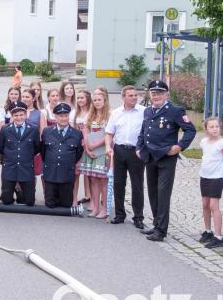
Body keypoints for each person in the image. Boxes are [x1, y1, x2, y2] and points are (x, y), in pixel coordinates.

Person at [136, 80, 196, 241]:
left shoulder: (175, 111)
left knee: (163, 194)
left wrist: (179, 146)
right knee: (153, 193)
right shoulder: (148, 111)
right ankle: (156, 224)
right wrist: (138, 147)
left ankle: (161, 231)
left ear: (166, 94)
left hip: (166, 157)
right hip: (150, 156)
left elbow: (190, 130)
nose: (156, 96)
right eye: (153, 93)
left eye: (160, 93)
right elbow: (144, 131)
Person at [104, 85, 147, 227]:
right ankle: (120, 214)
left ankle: (138, 217)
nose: (134, 97)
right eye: (131, 95)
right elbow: (109, 133)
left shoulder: (144, 112)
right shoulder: (116, 113)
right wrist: (108, 147)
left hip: (136, 151)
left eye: (136, 95)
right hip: (119, 150)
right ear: (123, 97)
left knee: (137, 185)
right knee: (118, 183)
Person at [0, 101, 40, 205]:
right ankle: (13, 191)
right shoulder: (5, 130)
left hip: (26, 167)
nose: (19, 118)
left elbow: (37, 147)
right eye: (16, 115)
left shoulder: (33, 129)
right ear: (12, 116)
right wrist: (11, 156)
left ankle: (20, 193)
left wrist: (25, 156)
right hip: (10, 167)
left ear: (26, 115)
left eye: (21, 115)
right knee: (6, 200)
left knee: (29, 202)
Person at [41, 103, 84, 208]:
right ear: (55, 117)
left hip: (66, 174)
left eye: (66, 116)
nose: (63, 118)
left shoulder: (77, 134)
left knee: (66, 204)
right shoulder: (47, 132)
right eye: (60, 116)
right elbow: (43, 151)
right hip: (51, 174)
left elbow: (78, 153)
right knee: (50, 204)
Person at [197, 117, 223, 248]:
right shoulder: (204, 141)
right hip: (204, 176)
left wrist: (218, 169)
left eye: (217, 126)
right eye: (212, 127)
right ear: (206, 129)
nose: (215, 129)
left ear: (220, 128)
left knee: (213, 205)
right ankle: (208, 231)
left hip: (216, 177)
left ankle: (218, 236)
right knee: (205, 204)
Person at [81, 89, 111, 218]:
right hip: (91, 151)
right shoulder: (90, 115)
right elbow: (86, 132)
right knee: (93, 180)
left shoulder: (109, 115)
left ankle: (105, 209)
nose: (97, 102)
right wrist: (88, 148)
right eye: (94, 100)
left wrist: (95, 145)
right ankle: (95, 207)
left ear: (105, 100)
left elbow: (109, 134)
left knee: (103, 181)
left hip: (103, 151)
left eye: (99, 100)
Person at [71, 90, 92, 206]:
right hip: (78, 145)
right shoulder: (74, 113)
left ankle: (90, 197)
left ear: (88, 99)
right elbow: (72, 129)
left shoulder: (92, 112)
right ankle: (74, 199)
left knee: (90, 173)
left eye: (82, 98)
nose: (79, 100)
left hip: (90, 144)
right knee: (76, 173)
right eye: (78, 98)